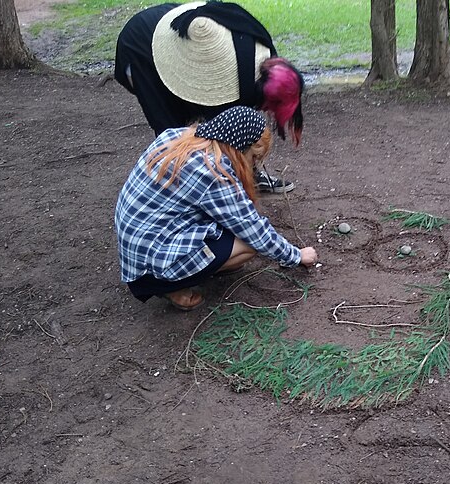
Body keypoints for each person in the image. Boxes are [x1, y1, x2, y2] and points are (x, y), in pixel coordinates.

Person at [115, 106, 318, 311]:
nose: (253, 166)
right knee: (248, 245)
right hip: (151, 267)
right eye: (254, 158)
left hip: (139, 246)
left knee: (231, 234)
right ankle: (172, 287)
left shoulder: (177, 136)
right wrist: (296, 256)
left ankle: (204, 266)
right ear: (241, 148)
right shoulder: (212, 171)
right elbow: (254, 230)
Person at [114, 1, 304, 193]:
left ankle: (245, 176)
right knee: (172, 128)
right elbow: (220, 128)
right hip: (143, 44)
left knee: (224, 124)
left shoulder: (264, 65)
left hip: (192, 46)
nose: (265, 111)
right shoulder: (231, 80)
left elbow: (236, 127)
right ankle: (181, 190)